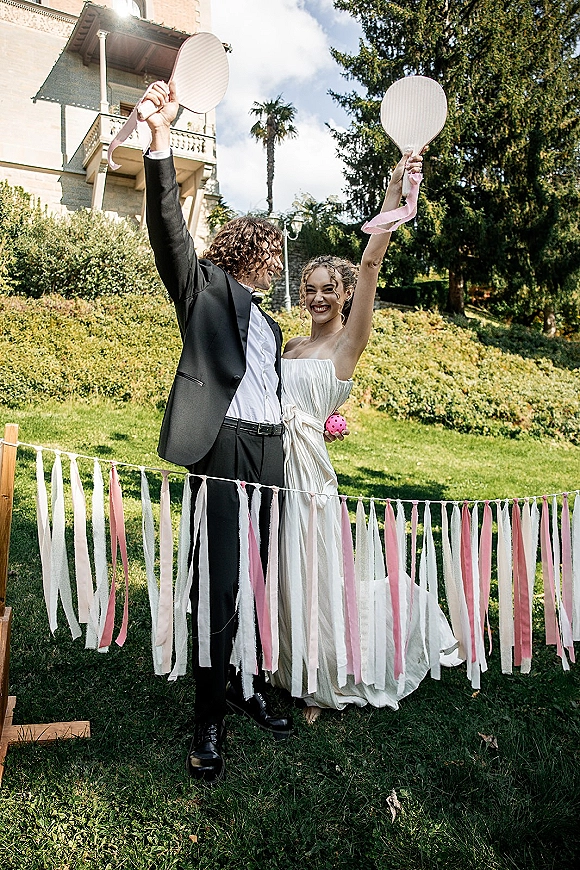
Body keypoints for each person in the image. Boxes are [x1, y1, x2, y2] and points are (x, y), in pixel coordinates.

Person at [270, 151, 458, 721]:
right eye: (310, 288)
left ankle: (321, 677)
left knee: (316, 572)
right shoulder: (291, 346)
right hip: (271, 465)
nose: (319, 297)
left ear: (346, 294)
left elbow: (372, 264)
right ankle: (286, 662)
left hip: (310, 473)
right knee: (281, 567)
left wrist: (391, 200)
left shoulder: (345, 345)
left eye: (330, 288)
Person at [142, 80, 292, 785]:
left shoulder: (272, 323)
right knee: (219, 583)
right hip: (226, 447)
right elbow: (169, 228)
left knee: (262, 579)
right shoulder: (204, 289)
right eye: (272, 253)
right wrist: (161, 142)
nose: (278, 265)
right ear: (248, 250)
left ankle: (245, 679)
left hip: (274, 453)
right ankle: (208, 713)